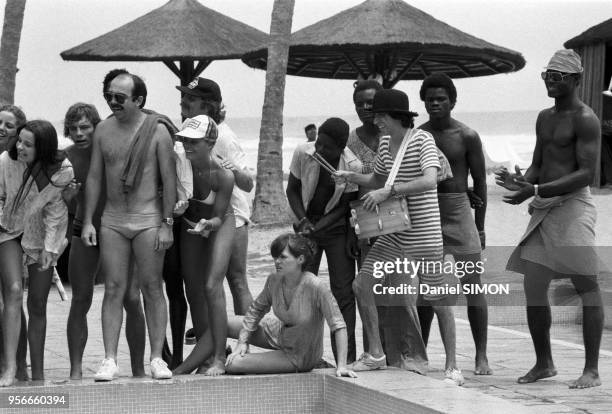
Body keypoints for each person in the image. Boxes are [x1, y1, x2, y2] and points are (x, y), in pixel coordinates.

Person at [495, 49, 604, 389]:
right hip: (544, 205)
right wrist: (523, 180)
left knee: (586, 285)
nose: (550, 82)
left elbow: (586, 174)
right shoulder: (544, 117)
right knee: (534, 286)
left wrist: (536, 188)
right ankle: (544, 363)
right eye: (547, 76)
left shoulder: (586, 119)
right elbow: (539, 163)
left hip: (572, 207)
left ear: (575, 80)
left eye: (557, 77)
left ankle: (591, 370)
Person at [335, 89, 460, 384]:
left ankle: (452, 366)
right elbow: (378, 179)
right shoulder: (386, 143)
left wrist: (389, 191)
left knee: (438, 300)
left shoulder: (422, 140)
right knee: (362, 284)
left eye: (379, 115)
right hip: (394, 233)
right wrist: (350, 177)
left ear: (394, 116)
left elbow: (430, 179)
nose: (374, 120)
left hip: (425, 235)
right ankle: (376, 354)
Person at [82, 71, 176, 381]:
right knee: (113, 289)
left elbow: (169, 180)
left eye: (120, 97)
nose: (112, 101)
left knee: (152, 287)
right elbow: (95, 177)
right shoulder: (102, 130)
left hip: (149, 219)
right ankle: (109, 359)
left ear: (138, 100)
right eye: (109, 95)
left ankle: (157, 358)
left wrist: (167, 224)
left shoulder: (158, 131)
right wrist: (87, 221)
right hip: (113, 220)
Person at [174, 233, 357, 378]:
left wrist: (341, 365)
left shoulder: (316, 286)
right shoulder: (274, 280)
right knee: (224, 323)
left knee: (235, 364)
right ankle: (181, 371)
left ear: (300, 259)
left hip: (299, 353)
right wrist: (242, 341)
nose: (277, 261)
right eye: (275, 257)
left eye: (283, 257)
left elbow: (338, 325)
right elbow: (255, 311)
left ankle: (227, 360)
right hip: (278, 331)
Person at [172, 78, 254, 364]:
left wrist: (229, 171)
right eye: (183, 99)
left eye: (189, 100)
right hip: (203, 216)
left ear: (207, 105)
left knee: (235, 281)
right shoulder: (188, 135)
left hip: (233, 217)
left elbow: (247, 183)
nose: (183, 104)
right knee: (206, 285)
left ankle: (246, 346)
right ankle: (213, 350)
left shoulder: (224, 137)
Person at [62, 103, 146, 380]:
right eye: (73, 128)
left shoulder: (111, 150)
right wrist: (69, 199)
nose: (78, 133)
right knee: (80, 299)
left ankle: (137, 368)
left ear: (97, 126)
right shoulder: (65, 158)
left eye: (85, 127)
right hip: (82, 231)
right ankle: (75, 371)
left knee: (132, 298)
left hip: (117, 230)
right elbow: (58, 204)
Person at [418, 73, 491, 375]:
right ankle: (420, 354)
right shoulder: (418, 135)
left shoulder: (467, 136)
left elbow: (481, 180)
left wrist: (480, 225)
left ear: (452, 101)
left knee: (473, 286)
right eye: (430, 99)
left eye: (441, 98)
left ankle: (481, 356)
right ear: (423, 102)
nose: (435, 103)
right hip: (428, 212)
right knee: (425, 290)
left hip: (460, 211)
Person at [0, 120, 74, 385]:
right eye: (19, 140)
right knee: (14, 291)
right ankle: (10, 368)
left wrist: (51, 248)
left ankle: (39, 373)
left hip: (41, 235)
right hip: (6, 231)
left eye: (27, 144)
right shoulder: (6, 161)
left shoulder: (61, 170)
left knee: (38, 304)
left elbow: (56, 213)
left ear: (42, 148)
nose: (19, 146)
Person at [286, 117, 361, 364]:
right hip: (306, 225)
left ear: (341, 148)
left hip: (335, 230)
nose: (320, 150)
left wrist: (319, 227)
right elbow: (293, 189)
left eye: (327, 147)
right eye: (318, 143)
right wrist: (303, 220)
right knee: (303, 289)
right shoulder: (302, 152)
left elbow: (345, 207)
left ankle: (346, 357)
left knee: (343, 292)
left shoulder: (352, 165)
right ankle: (303, 353)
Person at [172, 114, 235, 375]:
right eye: (185, 139)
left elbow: (219, 216)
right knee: (193, 290)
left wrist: (209, 225)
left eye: (194, 141)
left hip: (219, 223)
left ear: (210, 143)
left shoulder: (222, 175)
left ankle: (219, 356)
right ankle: (204, 355)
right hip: (191, 223)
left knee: (212, 286)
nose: (187, 145)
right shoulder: (179, 163)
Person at [0, 104, 29, 382]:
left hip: (12, 233)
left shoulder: (26, 158)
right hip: (6, 231)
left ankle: (17, 365)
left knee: (15, 292)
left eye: (9, 125)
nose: (2, 128)